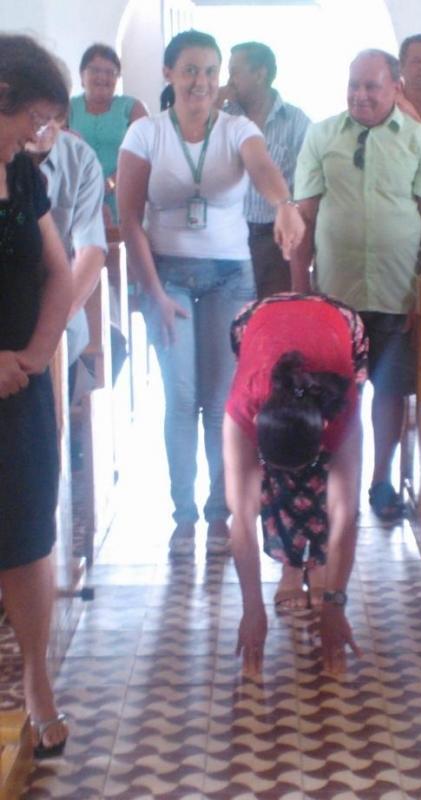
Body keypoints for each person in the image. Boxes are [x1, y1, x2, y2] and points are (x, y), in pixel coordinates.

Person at [118, 30, 305, 559]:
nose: (200, 81)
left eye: (208, 71)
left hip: (229, 275)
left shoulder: (237, 128)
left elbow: (262, 167)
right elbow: (128, 218)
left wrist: (285, 204)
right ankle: (183, 514)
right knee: (181, 397)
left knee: (222, 400)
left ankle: (219, 509)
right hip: (168, 276)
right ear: (169, 74)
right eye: (189, 70)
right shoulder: (146, 133)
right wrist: (154, 292)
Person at [292, 49, 421, 523]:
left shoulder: (420, 141)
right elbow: (304, 218)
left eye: (371, 86)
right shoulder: (321, 136)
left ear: (395, 87)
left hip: (397, 294)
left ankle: (381, 480)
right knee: (334, 394)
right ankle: (337, 481)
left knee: (391, 391)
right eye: (353, 85)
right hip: (334, 297)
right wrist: (301, 296)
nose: (360, 95)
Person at [223, 293, 367, 675]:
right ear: (257, 426)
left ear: (323, 431)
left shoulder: (341, 407)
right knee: (255, 489)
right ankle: (292, 566)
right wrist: (251, 608)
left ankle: (316, 567)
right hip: (256, 321)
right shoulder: (244, 404)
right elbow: (241, 518)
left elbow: (345, 515)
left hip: (337, 320)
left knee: (333, 487)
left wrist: (335, 604)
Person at [0, 34, 72, 758]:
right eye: (34, 117)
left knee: (27, 536)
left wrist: (37, 353)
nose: (39, 134)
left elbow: (59, 271)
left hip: (19, 388)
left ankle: (36, 679)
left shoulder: (22, 177)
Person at [26, 110, 106, 394]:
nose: (44, 125)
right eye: (36, 114)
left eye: (55, 115)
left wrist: (49, 325)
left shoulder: (79, 158)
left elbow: (90, 250)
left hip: (60, 325)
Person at [222, 42, 310, 298]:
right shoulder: (223, 118)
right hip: (231, 237)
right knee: (235, 313)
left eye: (235, 72)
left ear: (260, 74)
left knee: (273, 313)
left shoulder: (296, 121)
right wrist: (212, 104)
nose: (229, 80)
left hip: (276, 240)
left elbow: (309, 182)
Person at [69, 43, 147, 223]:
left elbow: (145, 157)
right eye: (95, 70)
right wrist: (86, 189)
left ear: (117, 77)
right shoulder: (68, 108)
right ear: (82, 75)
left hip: (124, 196)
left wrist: (110, 184)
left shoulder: (133, 108)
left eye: (110, 72)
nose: (102, 77)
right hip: (77, 197)